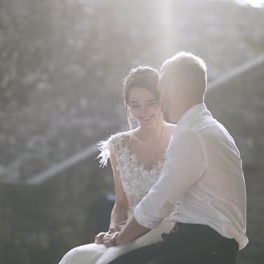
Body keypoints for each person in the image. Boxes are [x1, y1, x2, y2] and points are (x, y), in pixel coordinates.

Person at [102, 52, 248, 264]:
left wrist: (118, 240)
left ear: (176, 90)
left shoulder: (192, 134)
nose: (160, 98)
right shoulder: (208, 126)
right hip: (202, 242)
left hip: (204, 246)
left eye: (161, 89)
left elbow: (159, 202)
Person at [58, 66, 176, 264]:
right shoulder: (119, 145)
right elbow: (121, 203)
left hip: (165, 229)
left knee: (107, 262)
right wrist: (113, 231)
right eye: (135, 105)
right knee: (74, 257)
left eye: (150, 103)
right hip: (127, 229)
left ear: (161, 101)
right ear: (127, 106)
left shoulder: (181, 137)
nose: (143, 112)